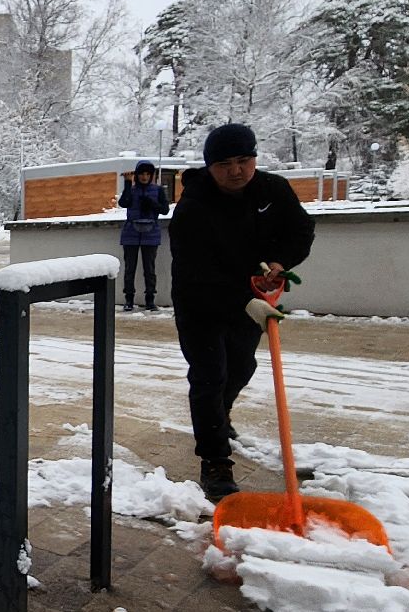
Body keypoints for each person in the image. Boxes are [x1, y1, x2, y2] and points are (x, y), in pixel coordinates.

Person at [168, 123, 315, 499]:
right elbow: (196, 270)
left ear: (254, 159)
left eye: (243, 160)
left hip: (252, 297)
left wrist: (279, 263)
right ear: (210, 167)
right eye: (224, 164)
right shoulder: (192, 209)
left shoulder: (272, 190)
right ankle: (215, 461)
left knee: (241, 367)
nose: (236, 170)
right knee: (209, 376)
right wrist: (244, 300)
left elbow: (300, 230)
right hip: (200, 301)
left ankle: (219, 416)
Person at [117, 159, 169, 312]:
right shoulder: (132, 190)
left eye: (147, 174)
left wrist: (152, 204)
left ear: (151, 175)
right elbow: (124, 203)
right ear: (137, 175)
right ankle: (129, 299)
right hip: (131, 232)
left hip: (151, 232)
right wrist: (127, 184)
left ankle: (150, 300)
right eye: (142, 174)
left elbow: (165, 209)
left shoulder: (157, 190)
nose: (144, 177)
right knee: (129, 268)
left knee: (149, 268)